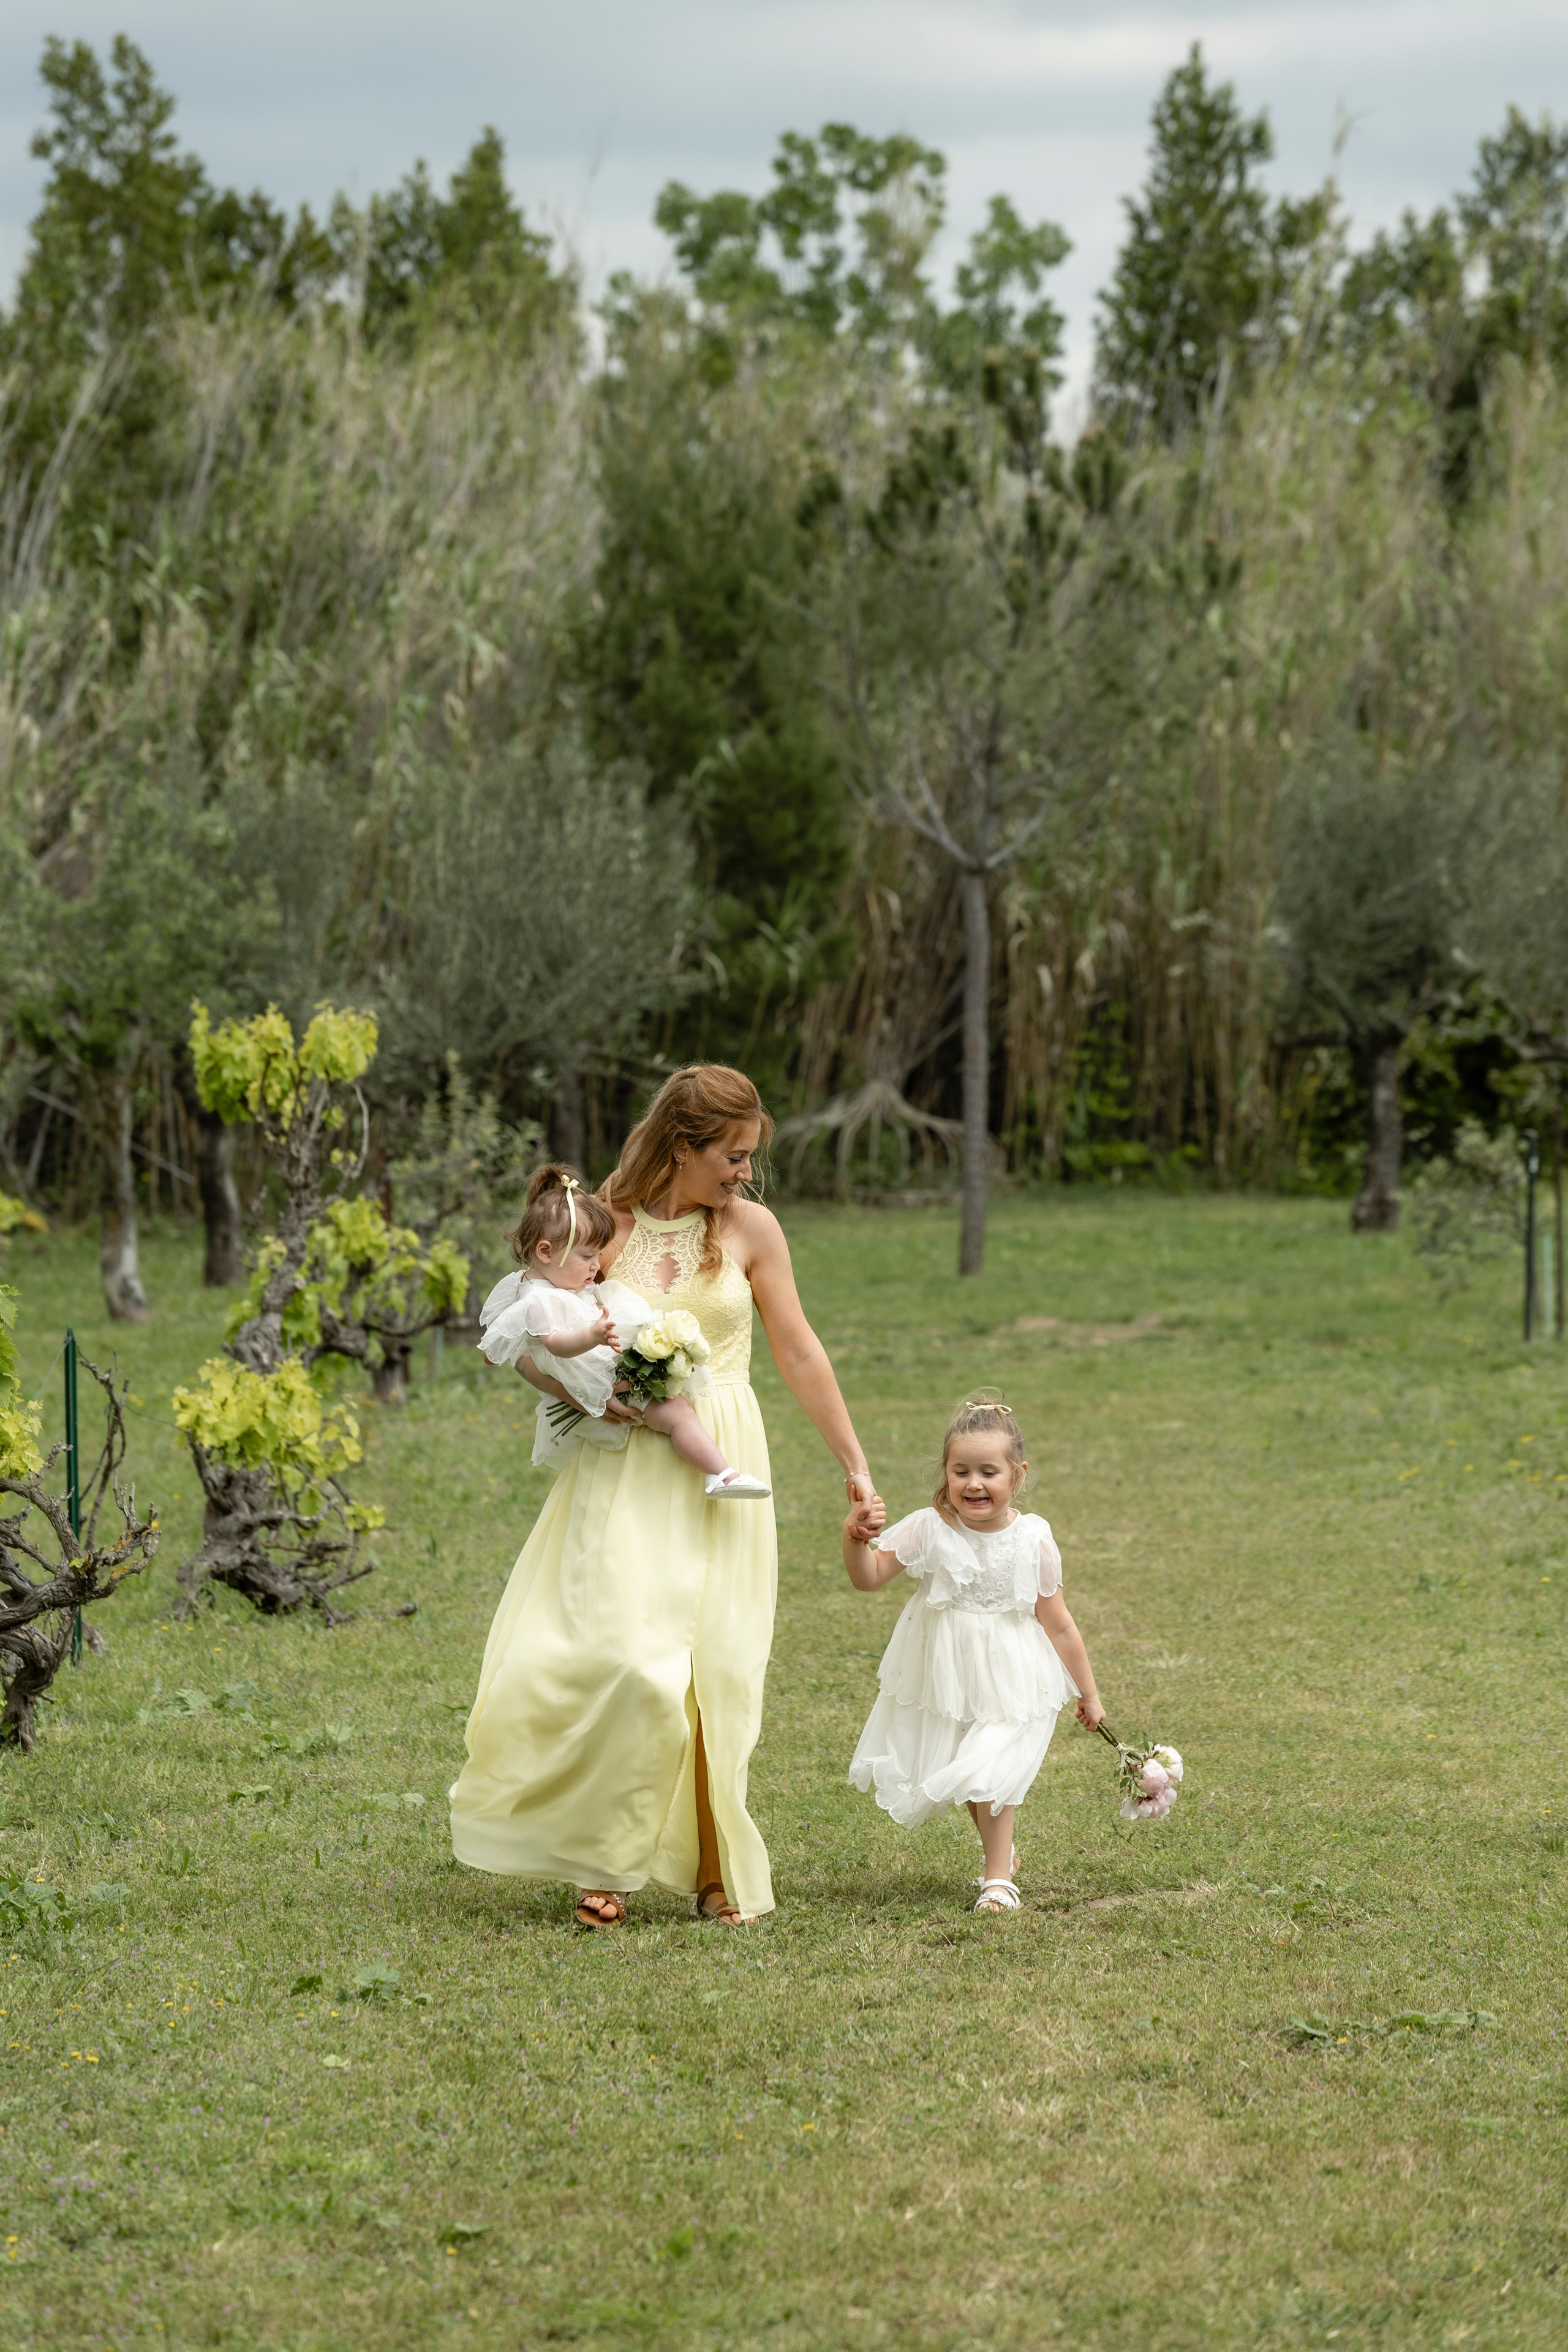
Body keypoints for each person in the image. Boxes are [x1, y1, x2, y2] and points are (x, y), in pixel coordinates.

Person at [450, 1065, 881, 1928]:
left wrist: (855, 1463)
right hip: (630, 1464)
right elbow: (534, 1326)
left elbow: (798, 1349)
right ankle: (603, 1858)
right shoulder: (603, 1221)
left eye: (749, 1156)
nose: (745, 1173)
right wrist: (581, 1397)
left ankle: (714, 1871)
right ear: (682, 1147)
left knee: (718, 1668)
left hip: (724, 1454)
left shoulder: (752, 1229)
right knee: (630, 1662)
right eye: (733, 1156)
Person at [842, 1400, 1104, 1914]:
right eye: (961, 1471)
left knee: (989, 1770)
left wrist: (1088, 1694)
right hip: (948, 1675)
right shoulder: (928, 1528)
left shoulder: (1032, 1538)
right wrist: (854, 1538)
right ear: (946, 1472)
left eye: (989, 1472)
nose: (974, 1484)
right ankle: (1001, 1854)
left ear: (1017, 1475)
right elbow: (867, 1578)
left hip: (1013, 1675)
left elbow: (1059, 1623)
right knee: (969, 1771)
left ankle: (998, 1880)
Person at [475, 1162, 769, 1497]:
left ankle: (721, 1473)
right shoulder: (540, 1300)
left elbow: (498, 1344)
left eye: (597, 1255)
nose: (596, 1266)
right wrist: (592, 1336)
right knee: (677, 1414)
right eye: (587, 1256)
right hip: (601, 1381)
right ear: (544, 1252)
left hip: (598, 1373)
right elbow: (555, 1343)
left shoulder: (537, 1286)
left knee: (676, 1410)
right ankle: (721, 1475)